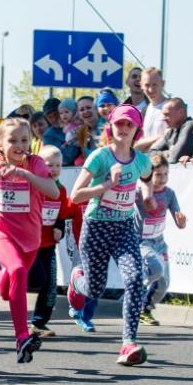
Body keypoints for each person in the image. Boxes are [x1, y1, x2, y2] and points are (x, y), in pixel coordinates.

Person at [67, 104, 154, 366]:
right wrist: (107, 185)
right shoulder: (100, 157)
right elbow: (75, 195)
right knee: (95, 288)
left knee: (135, 279)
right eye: (119, 124)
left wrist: (147, 195)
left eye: (129, 124)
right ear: (111, 127)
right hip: (95, 227)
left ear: (137, 129)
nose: (124, 128)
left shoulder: (141, 160)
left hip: (124, 227)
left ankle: (128, 343)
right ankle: (76, 283)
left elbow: (148, 177)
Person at [0, 117, 59, 363]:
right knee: (17, 270)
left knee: (8, 292)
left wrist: (23, 173)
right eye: (12, 140)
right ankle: (22, 337)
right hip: (1, 233)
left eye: (24, 140)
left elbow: (53, 191)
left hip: (30, 239)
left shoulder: (36, 163)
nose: (19, 145)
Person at [28, 145, 78, 338]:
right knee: (34, 279)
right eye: (49, 165)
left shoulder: (61, 190)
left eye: (58, 165)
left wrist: (59, 228)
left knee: (50, 284)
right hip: (29, 244)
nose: (55, 169)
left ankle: (39, 323)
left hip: (48, 245)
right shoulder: (33, 187)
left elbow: (61, 215)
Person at [134, 154, 187, 326]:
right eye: (158, 175)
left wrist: (182, 221)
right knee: (155, 269)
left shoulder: (169, 194)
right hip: (142, 242)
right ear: (150, 175)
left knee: (164, 284)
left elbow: (179, 220)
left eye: (165, 174)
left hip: (159, 243)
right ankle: (136, 289)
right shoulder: (139, 192)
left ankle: (144, 309)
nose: (162, 179)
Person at [136, 67, 170, 149]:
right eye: (147, 85)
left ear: (162, 84)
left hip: (164, 160)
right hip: (145, 160)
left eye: (154, 84)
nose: (151, 89)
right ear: (141, 85)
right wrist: (161, 136)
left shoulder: (172, 108)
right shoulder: (143, 112)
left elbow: (172, 137)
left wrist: (145, 142)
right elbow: (135, 145)